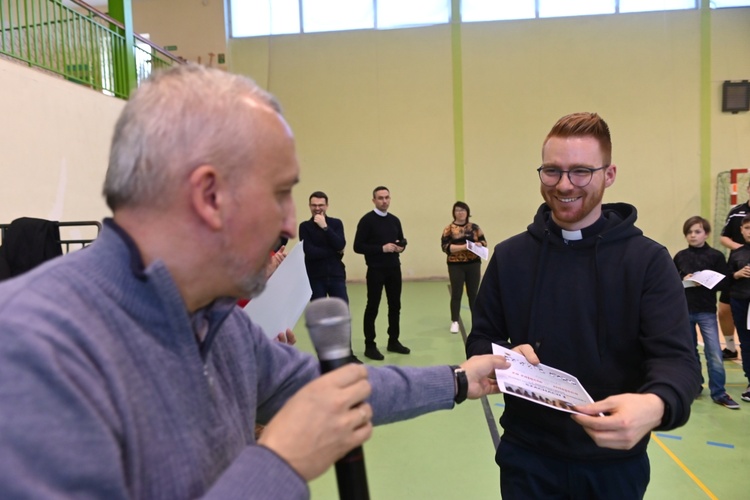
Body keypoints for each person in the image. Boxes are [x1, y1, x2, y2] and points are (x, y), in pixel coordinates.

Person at [0, 64, 510, 499]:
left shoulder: (217, 323)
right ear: (210, 196)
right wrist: (281, 460)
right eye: (281, 193)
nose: (291, 224)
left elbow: (328, 391)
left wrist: (460, 380)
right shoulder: (31, 350)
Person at [465, 112, 700, 499]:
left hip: (613, 467)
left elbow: (679, 361)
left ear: (609, 175)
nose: (564, 185)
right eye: (552, 171)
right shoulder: (510, 257)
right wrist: (504, 357)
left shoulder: (648, 262)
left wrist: (654, 406)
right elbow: (482, 339)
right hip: (527, 459)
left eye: (580, 172)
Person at [673, 216, 739, 409]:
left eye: (697, 231)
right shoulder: (680, 256)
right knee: (689, 351)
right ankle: (695, 386)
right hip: (685, 310)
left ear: (706, 234)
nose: (693, 235)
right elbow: (670, 280)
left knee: (714, 353)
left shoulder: (716, 256)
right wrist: (682, 278)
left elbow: (725, 282)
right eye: (689, 232)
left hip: (707, 311)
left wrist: (706, 281)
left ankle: (719, 392)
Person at [353, 186, 410, 360]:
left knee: (395, 306)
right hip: (376, 270)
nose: (384, 201)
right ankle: (369, 345)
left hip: (394, 268)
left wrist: (401, 246)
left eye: (386, 197)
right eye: (380, 198)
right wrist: (381, 248)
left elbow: (400, 239)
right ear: (374, 200)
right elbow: (358, 246)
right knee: (373, 306)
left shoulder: (394, 220)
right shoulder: (367, 221)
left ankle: (393, 340)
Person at [440, 201, 487, 333]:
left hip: (473, 264)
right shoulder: (449, 229)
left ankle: (477, 321)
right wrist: (465, 246)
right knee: (457, 293)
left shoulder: (474, 227)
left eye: (463, 210)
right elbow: (446, 247)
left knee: (473, 294)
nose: (460, 213)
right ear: (454, 213)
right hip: (456, 265)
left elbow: (484, 241)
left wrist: (478, 244)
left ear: (467, 212)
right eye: (458, 210)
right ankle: (455, 321)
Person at [718, 182, 750, 359]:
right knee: (723, 310)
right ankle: (730, 348)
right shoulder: (736, 212)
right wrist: (741, 249)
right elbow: (723, 237)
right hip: (736, 270)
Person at [299, 191, 348, 303]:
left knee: (341, 311)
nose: (317, 208)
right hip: (315, 277)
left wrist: (325, 227)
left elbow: (340, 244)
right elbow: (310, 252)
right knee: (318, 314)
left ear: (326, 206)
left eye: (320, 205)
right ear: (309, 206)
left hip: (336, 275)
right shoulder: (305, 227)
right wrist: (335, 251)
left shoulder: (336, 223)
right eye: (314, 205)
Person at [726, 213, 750, 402]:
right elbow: (726, 278)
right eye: (747, 228)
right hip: (740, 301)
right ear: (741, 230)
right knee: (746, 343)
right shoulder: (737, 253)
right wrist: (737, 274)